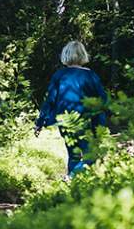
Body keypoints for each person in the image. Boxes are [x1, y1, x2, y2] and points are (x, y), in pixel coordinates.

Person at [36, 40, 109, 177]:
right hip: (85, 121)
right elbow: (102, 100)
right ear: (83, 55)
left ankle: (72, 186)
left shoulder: (59, 75)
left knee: (74, 155)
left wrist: (40, 122)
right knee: (90, 156)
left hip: (64, 121)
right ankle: (72, 179)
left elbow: (50, 100)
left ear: (66, 55)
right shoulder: (91, 76)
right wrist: (101, 121)